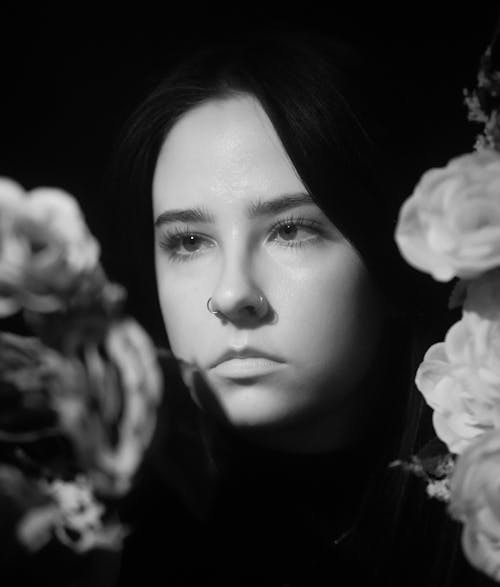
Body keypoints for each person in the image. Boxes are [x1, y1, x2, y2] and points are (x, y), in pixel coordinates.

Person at [111, 31, 496, 587]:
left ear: (391, 250)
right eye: (189, 242)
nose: (231, 295)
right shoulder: (98, 540)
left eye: (291, 230)